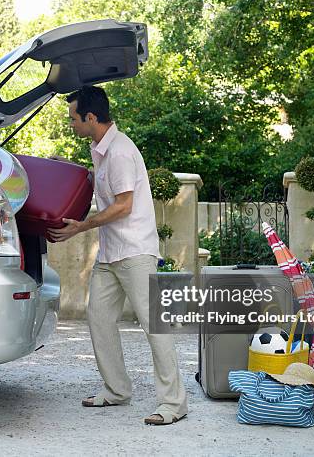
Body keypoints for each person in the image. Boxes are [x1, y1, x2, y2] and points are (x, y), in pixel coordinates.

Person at [48, 86, 188, 425]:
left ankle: (174, 404)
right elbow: (100, 185)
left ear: (91, 118)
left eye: (73, 119)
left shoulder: (122, 151)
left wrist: (81, 227)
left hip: (135, 251)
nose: (71, 125)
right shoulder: (101, 149)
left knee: (154, 326)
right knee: (98, 317)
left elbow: (123, 205)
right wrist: (62, 169)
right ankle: (117, 390)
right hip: (111, 253)